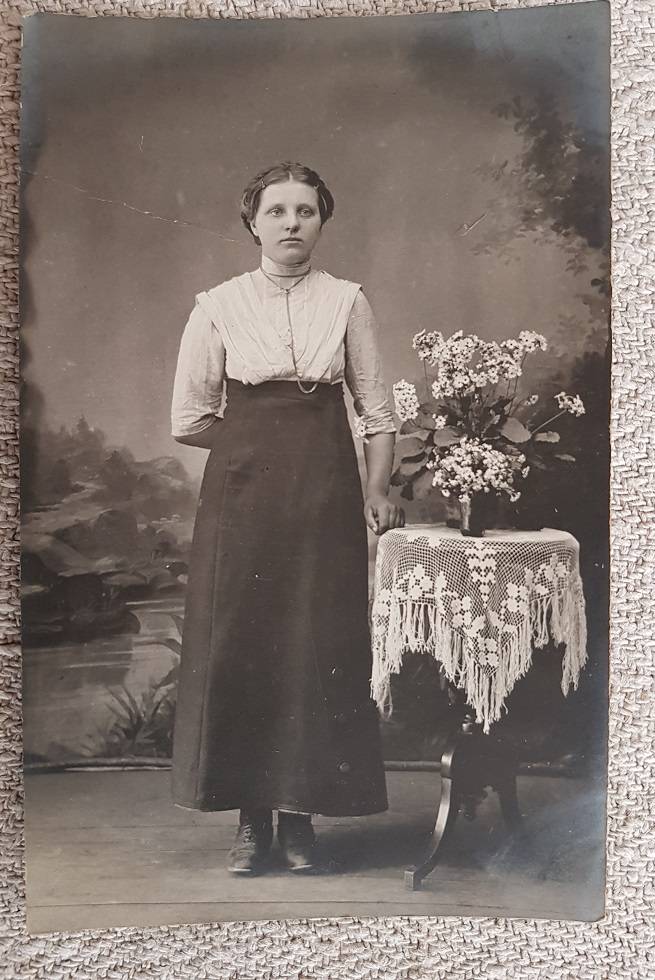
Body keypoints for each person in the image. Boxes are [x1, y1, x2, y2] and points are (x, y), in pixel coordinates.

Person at [169, 161, 404, 875]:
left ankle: (300, 820)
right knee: (244, 643)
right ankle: (251, 822)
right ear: (253, 223)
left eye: (305, 210)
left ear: (322, 221)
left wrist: (375, 489)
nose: (292, 223)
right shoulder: (217, 305)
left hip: (324, 490)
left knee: (313, 641)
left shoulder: (347, 301)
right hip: (242, 497)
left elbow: (377, 413)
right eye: (277, 211)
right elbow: (189, 419)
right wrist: (254, 446)